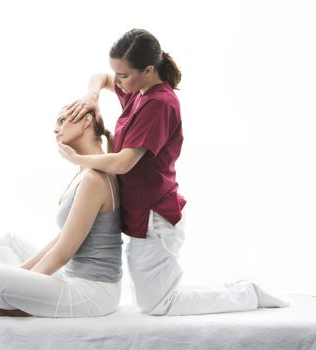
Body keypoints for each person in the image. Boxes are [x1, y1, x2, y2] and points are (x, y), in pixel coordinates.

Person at [58, 28, 289, 316]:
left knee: (158, 304)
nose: (117, 81)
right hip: (143, 214)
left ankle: (247, 294)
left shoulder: (159, 103)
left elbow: (123, 162)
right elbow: (100, 78)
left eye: (123, 75)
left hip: (156, 218)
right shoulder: (138, 90)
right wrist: (92, 96)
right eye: (116, 74)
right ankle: (240, 290)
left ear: (149, 69)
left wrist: (75, 157)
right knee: (156, 297)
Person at [0, 109, 123, 318]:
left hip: (92, 293)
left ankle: (17, 305)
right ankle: (14, 299)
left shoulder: (93, 179)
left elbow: (62, 254)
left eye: (62, 120)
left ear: (87, 121)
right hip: (81, 282)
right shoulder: (85, 172)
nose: (55, 128)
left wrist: (14, 299)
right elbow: (61, 240)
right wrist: (18, 281)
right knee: (9, 241)